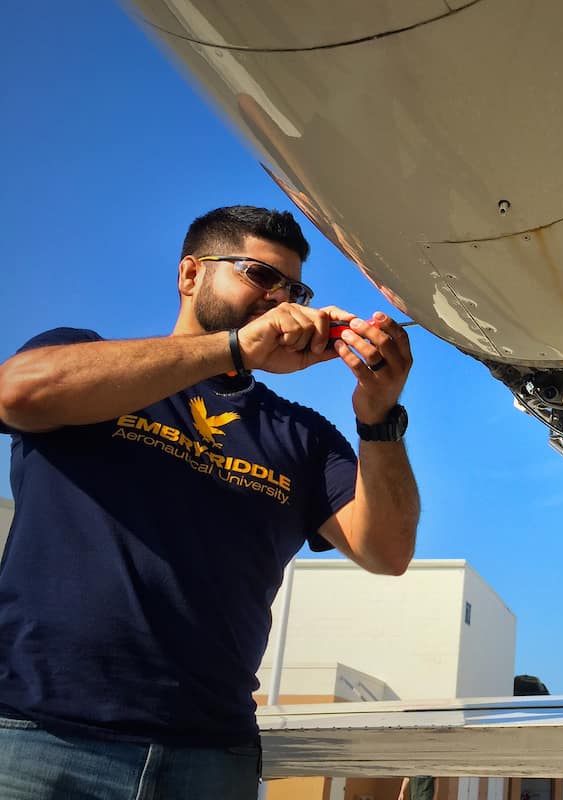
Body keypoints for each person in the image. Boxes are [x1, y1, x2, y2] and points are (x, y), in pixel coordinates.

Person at [0, 206, 420, 798]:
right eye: (258, 275)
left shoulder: (303, 435)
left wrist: (378, 416)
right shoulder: (83, 356)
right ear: (190, 275)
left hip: (208, 755)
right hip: (38, 739)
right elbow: (18, 393)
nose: (279, 297)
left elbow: (388, 550)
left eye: (293, 287)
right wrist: (233, 349)